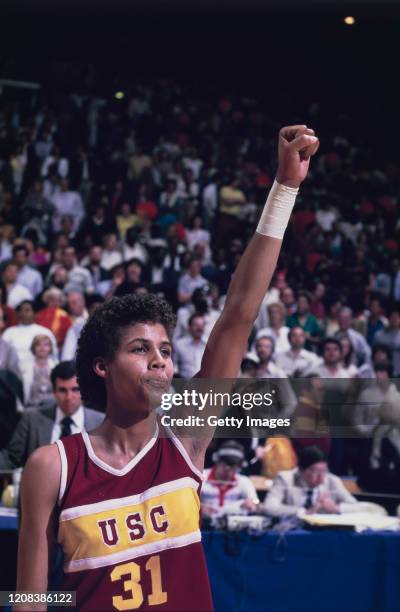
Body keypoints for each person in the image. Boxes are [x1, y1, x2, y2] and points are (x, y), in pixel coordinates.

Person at [16, 124, 319, 610]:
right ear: (101, 367)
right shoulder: (52, 466)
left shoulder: (187, 437)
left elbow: (239, 312)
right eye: (140, 349)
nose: (159, 359)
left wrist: (284, 189)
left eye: (164, 348)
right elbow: (29, 594)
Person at [0, 361, 103, 469]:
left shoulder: (101, 422)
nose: (69, 397)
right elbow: (10, 458)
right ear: (54, 391)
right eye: (62, 390)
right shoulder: (32, 419)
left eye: (75, 390)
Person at [263, 445, 357, 519]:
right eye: (315, 471)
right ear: (300, 469)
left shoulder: (332, 480)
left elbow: (357, 506)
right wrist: (304, 512)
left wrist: (337, 509)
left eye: (324, 471)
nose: (321, 477)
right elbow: (269, 507)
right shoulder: (285, 479)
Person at [201, 441, 259, 519]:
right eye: (224, 464)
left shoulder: (243, 481)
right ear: (216, 460)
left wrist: (251, 504)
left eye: (233, 467)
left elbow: (255, 502)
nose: (228, 470)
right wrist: (199, 507)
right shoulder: (201, 476)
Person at [21, 334, 58, 409]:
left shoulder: (56, 366)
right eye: (38, 345)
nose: (42, 348)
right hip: (31, 407)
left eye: (46, 345)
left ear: (50, 348)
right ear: (33, 348)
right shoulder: (24, 367)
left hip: (52, 408)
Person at [173, 312, 207, 378]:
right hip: (184, 384)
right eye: (196, 325)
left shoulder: (208, 345)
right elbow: (173, 367)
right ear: (189, 327)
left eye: (202, 325)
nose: (199, 328)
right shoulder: (179, 345)